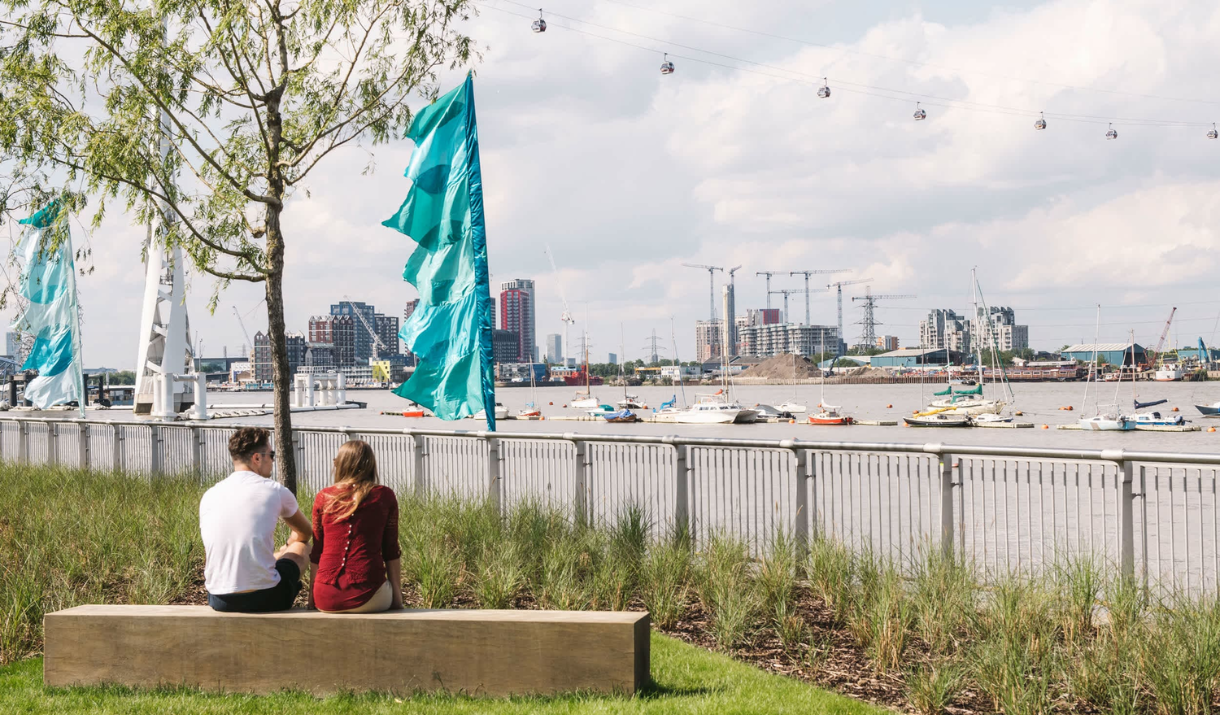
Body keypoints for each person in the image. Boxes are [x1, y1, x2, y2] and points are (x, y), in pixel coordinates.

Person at [200, 427, 312, 612]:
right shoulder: (275, 490)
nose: (273, 460)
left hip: (218, 599)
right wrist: (289, 545)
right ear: (257, 458)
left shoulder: (210, 495)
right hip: (266, 598)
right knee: (303, 547)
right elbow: (305, 532)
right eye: (271, 454)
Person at [309, 440, 403, 613]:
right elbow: (391, 550)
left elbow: (317, 551)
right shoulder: (384, 496)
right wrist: (397, 600)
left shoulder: (323, 497)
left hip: (325, 598)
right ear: (371, 465)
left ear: (340, 464)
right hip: (370, 595)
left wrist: (311, 599)